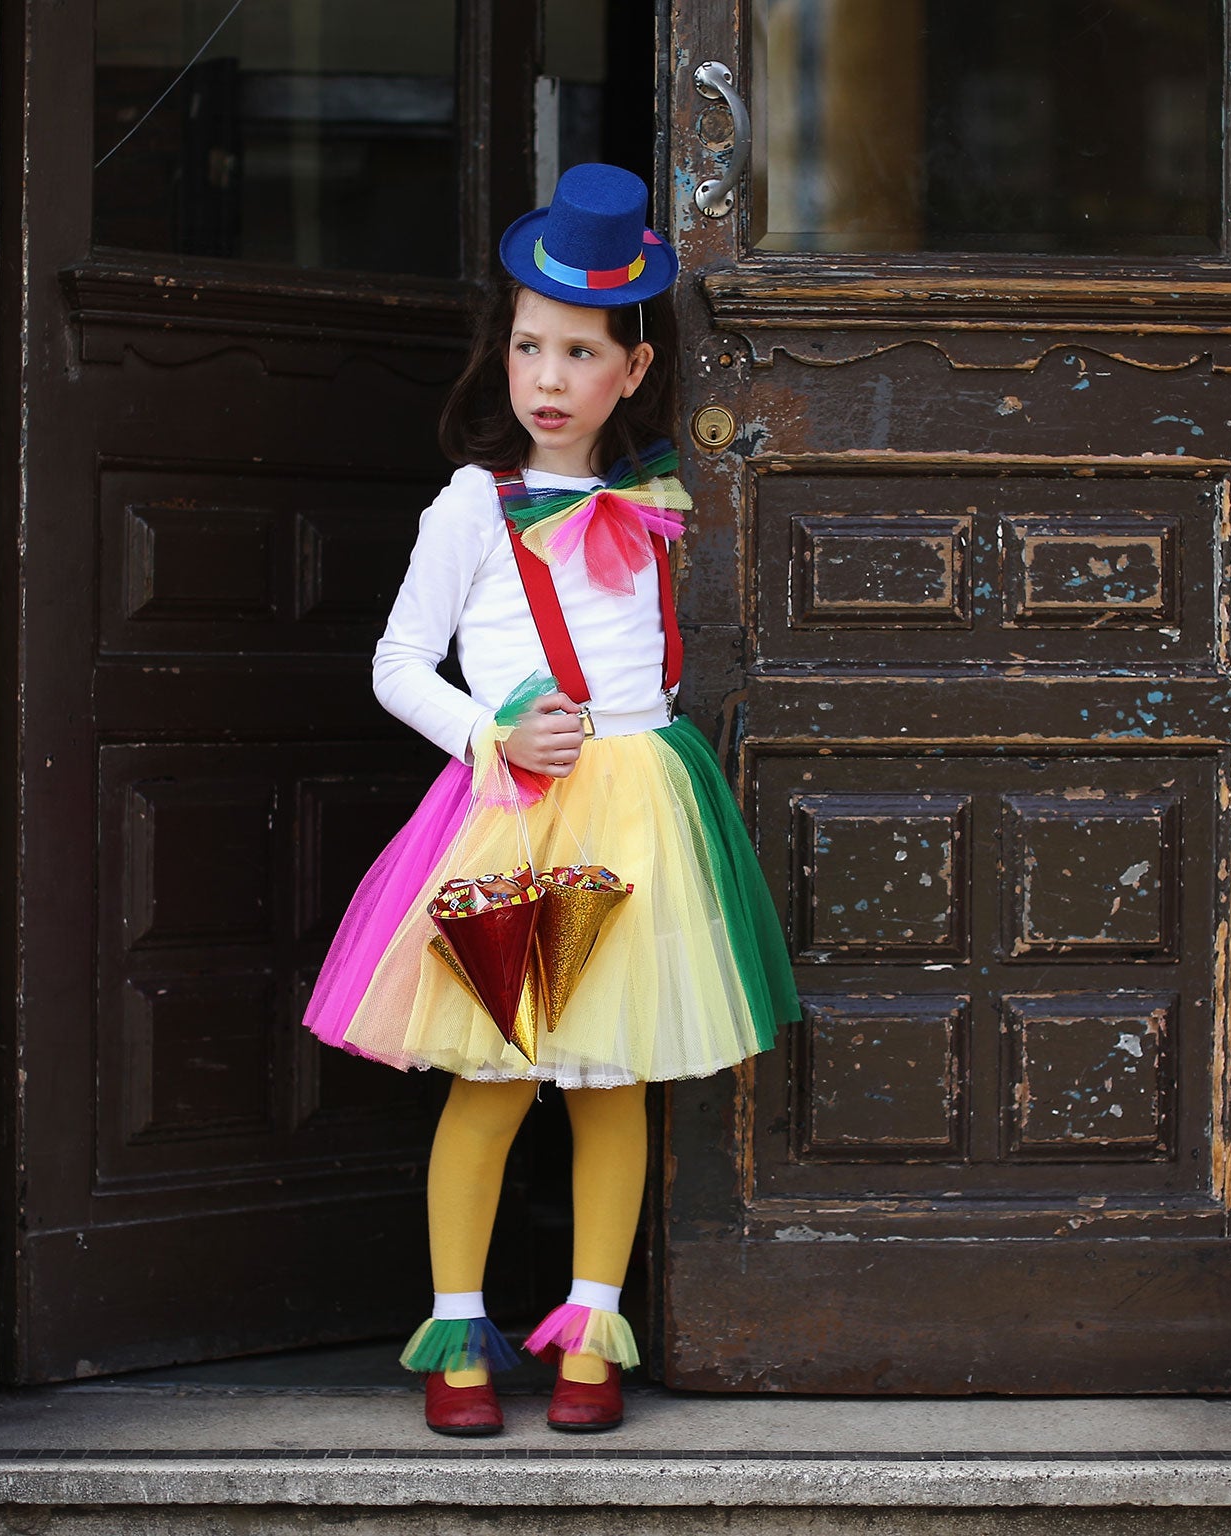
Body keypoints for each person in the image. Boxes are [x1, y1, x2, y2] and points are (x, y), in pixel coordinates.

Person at [301, 163, 798, 1436]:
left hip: (643, 822)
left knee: (612, 1083)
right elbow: (396, 664)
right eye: (529, 344)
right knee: (495, 1078)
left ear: (630, 372)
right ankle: (455, 1334)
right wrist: (490, 734)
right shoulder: (472, 506)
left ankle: (589, 1337)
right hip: (523, 818)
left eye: (580, 351)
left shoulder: (644, 505)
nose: (547, 376)